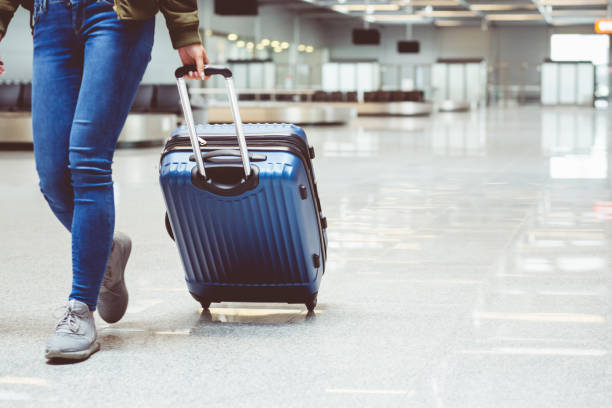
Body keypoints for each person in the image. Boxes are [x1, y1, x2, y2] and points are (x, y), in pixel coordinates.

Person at [0, 0, 209, 361]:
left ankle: (81, 308)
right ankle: (107, 249)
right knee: (51, 176)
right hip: (49, 17)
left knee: (87, 161)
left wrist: (184, 28)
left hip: (114, 15)